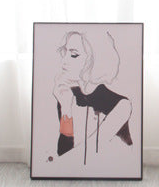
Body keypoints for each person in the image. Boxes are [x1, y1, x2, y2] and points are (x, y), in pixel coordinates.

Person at [52, 31, 133, 159]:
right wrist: (66, 108)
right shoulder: (67, 96)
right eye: (65, 53)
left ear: (94, 60)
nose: (63, 62)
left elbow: (87, 155)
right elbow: (63, 153)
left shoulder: (122, 105)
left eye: (73, 55)